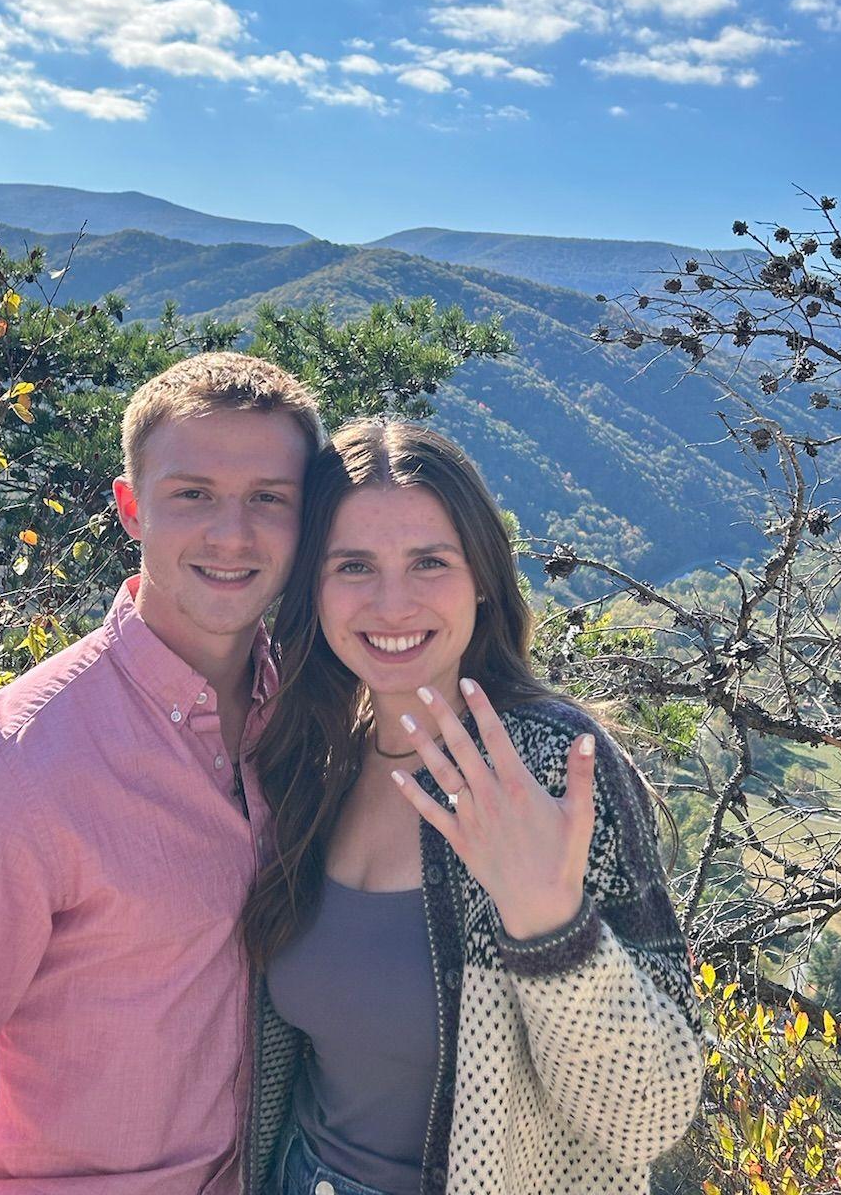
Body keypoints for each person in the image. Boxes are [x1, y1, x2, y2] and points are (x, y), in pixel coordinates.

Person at [0, 352, 324, 1195]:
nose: (232, 534)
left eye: (268, 499)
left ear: (306, 519)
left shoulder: (305, 730)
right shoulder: (9, 771)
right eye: (193, 494)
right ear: (131, 508)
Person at [239, 418, 703, 1195]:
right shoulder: (312, 763)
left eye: (430, 562)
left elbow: (649, 1118)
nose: (393, 603)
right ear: (311, 588)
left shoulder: (555, 767)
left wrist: (549, 923)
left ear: (481, 577)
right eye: (353, 564)